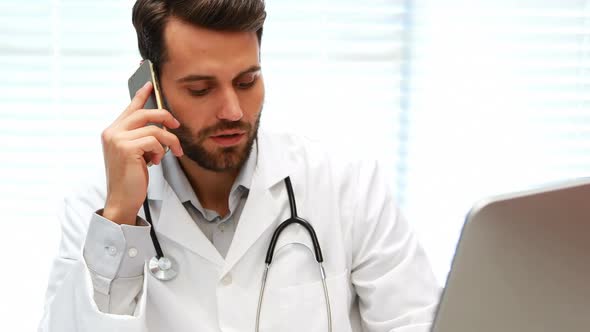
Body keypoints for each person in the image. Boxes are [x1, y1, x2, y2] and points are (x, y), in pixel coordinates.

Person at [39, 0, 440, 331]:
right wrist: (121, 221)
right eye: (201, 89)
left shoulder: (346, 187)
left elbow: (416, 322)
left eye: (247, 82)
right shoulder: (98, 209)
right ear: (151, 91)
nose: (232, 111)